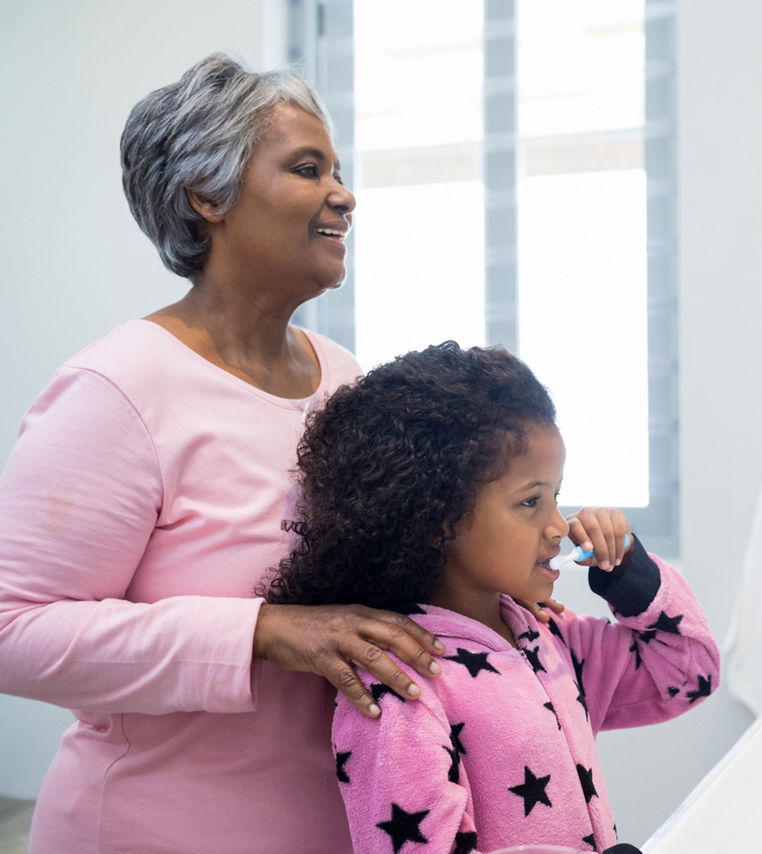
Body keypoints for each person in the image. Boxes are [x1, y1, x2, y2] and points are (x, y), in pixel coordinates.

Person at [0, 54, 453, 852]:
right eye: (307, 169)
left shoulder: (344, 378)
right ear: (207, 196)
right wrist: (261, 632)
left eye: (339, 172)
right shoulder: (121, 387)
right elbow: (12, 631)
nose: (344, 195)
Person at [261, 342, 720, 854]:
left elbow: (688, 673)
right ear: (441, 521)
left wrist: (629, 572)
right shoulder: (402, 682)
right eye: (530, 501)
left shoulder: (553, 637)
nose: (558, 526)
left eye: (556, 496)